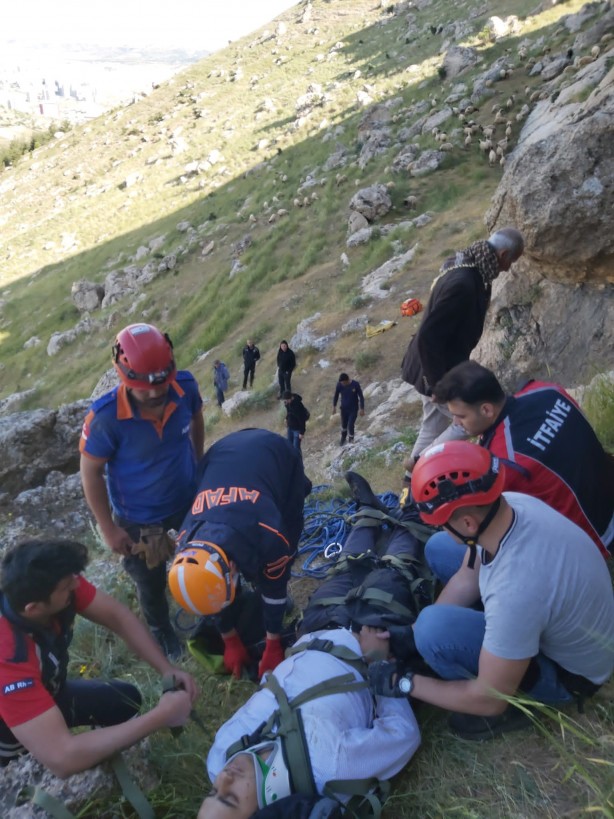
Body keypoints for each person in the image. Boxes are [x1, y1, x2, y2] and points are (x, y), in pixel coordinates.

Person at [369, 441, 614, 741]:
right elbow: (467, 575)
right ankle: (452, 639)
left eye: (443, 523)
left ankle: (520, 707)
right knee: (439, 550)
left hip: (569, 675)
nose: (442, 528)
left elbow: (489, 698)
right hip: (567, 615)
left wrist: (404, 681)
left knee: (434, 632)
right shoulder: (510, 503)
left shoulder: (514, 590)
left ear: (469, 522)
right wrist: (411, 634)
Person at [0, 539, 198, 774]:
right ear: (34, 609)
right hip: (7, 726)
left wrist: (167, 669)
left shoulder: (56, 584)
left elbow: (117, 617)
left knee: (123, 701)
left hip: (49, 689)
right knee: (24, 769)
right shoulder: (9, 657)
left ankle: (108, 762)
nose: (76, 584)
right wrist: (162, 715)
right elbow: (62, 758)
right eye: (67, 587)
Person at [198, 624, 420, 819]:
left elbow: (263, 690)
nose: (223, 778)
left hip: (310, 630)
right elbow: (404, 733)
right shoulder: (331, 766)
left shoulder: (221, 752)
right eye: (230, 798)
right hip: (366, 640)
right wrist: (379, 664)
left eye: (213, 792)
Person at [79, 323, 205, 660]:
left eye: (160, 385)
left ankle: (216, 606)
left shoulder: (185, 388)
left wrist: (200, 463)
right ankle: (161, 631)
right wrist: (108, 528)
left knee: (207, 556)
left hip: (186, 498)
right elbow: (90, 471)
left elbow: (196, 418)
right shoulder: (106, 418)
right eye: (143, 387)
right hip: (137, 517)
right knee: (149, 582)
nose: (153, 393)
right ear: (122, 375)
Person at [432, 360, 614, 557]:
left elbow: (489, 524)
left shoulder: (504, 462)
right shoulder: (548, 391)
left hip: (593, 544)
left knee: (440, 546)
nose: (456, 423)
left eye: (461, 416)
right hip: (606, 501)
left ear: (486, 410)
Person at [170, 429, 312, 680]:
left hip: (273, 452)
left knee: (284, 546)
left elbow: (275, 588)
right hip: (219, 453)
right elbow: (207, 591)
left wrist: (273, 643)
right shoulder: (184, 540)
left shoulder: (270, 534)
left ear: (232, 567)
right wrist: (229, 638)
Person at [400, 228, 524, 477]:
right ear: (502, 253)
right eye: (510, 261)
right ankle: (423, 464)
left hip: (430, 364)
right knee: (471, 420)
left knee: (433, 423)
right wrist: (438, 385)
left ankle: (412, 477)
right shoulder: (464, 283)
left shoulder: (465, 263)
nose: (508, 268)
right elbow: (428, 335)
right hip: (435, 370)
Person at [332, 373, 365, 446]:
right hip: (344, 409)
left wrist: (362, 408)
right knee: (344, 425)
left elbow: (361, 397)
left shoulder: (355, 385)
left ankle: (351, 439)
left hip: (353, 409)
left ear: (347, 380)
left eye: (344, 382)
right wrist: (334, 406)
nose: (343, 384)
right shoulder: (339, 385)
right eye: (341, 383)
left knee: (350, 424)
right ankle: (343, 438)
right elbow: (336, 396)